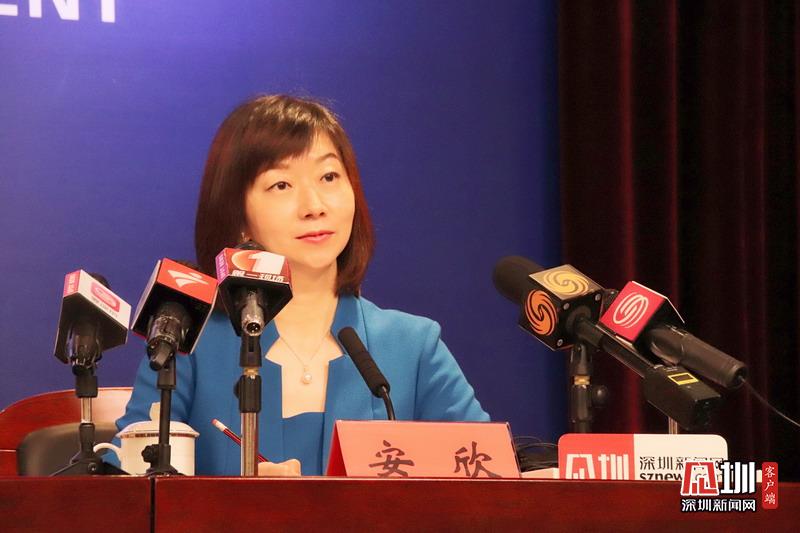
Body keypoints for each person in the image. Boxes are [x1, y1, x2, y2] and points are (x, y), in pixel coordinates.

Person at [115, 95, 489, 476]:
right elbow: (127, 482)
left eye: (329, 177)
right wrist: (233, 501)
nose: (314, 205)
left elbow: (489, 477)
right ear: (238, 215)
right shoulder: (189, 342)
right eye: (281, 185)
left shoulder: (412, 346)